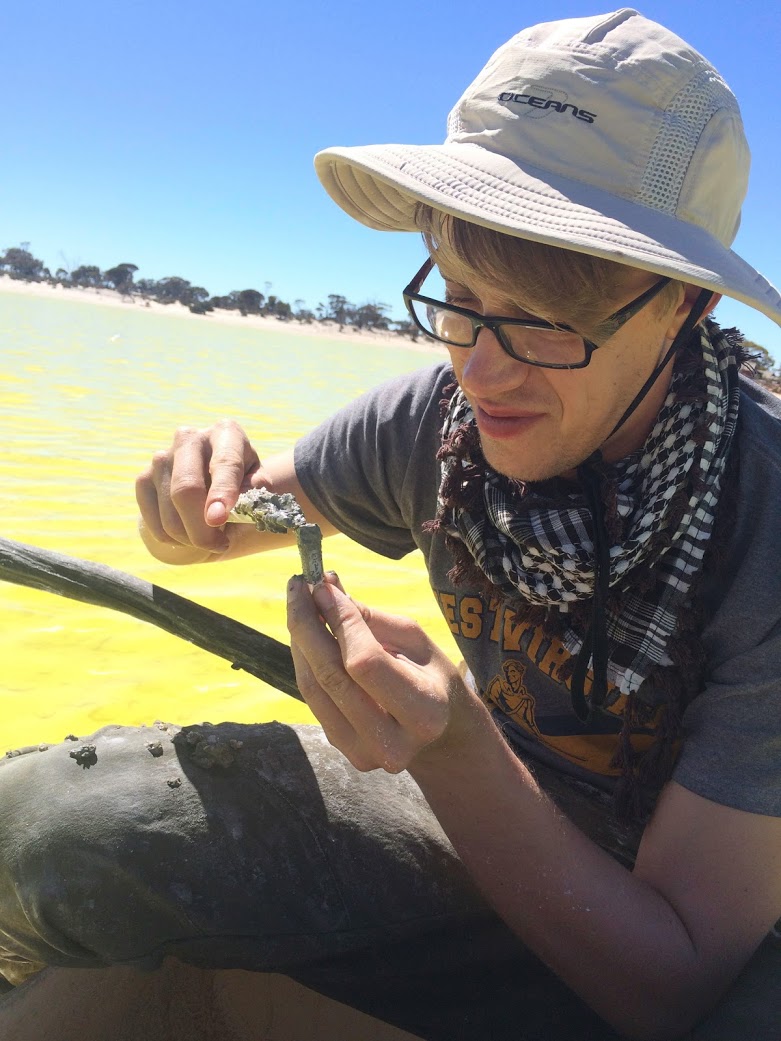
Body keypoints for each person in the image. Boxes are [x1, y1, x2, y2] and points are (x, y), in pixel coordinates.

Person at [3, 9, 781, 1040]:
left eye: (545, 317)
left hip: (700, 900)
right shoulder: (438, 423)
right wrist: (190, 500)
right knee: (61, 830)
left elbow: (670, 981)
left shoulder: (760, 513)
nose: (479, 366)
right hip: (495, 812)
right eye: (457, 297)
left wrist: (453, 743)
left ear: (681, 306)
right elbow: (223, 522)